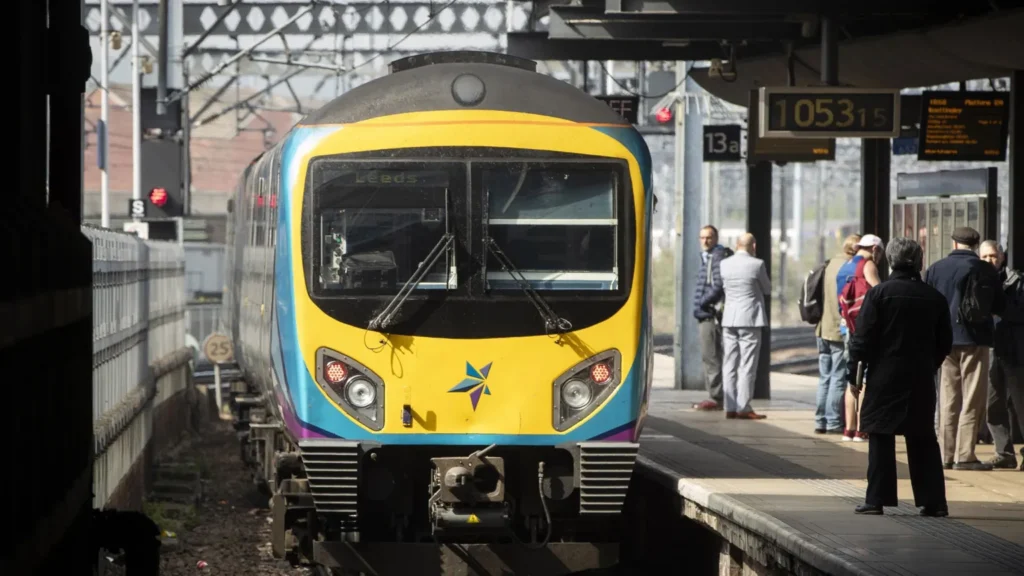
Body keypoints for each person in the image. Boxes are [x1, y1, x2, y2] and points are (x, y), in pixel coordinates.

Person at [850, 237, 952, 516]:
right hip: (919, 377)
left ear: (891, 261)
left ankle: (877, 500)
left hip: (884, 375)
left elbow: (861, 340)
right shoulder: (935, 298)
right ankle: (933, 502)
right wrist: (930, 364)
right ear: (920, 262)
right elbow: (945, 342)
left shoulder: (879, 295)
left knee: (880, 436)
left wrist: (854, 375)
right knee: (922, 437)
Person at [924, 226, 1005, 470]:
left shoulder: (936, 268)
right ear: (975, 244)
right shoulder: (984, 269)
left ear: (954, 243)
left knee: (948, 397)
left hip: (945, 342)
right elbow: (999, 305)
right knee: (972, 398)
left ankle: (945, 455)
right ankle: (965, 455)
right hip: (975, 340)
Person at [981, 241, 1024, 471]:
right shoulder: (978, 281)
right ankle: (1004, 452)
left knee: (1020, 403)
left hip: (1014, 350)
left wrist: (999, 307)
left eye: (993, 256)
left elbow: (1019, 312)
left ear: (1002, 258)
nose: (989, 261)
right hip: (990, 349)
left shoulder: (1016, 281)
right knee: (993, 403)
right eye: (985, 257)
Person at [836, 233, 883, 442]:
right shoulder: (868, 265)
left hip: (848, 327)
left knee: (852, 377)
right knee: (864, 378)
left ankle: (849, 429)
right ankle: (862, 428)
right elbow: (880, 294)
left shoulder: (845, 266)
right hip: (866, 329)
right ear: (875, 249)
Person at [719, 233, 770, 420]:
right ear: (753, 246)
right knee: (747, 365)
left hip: (729, 319)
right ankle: (744, 407)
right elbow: (767, 289)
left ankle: (729, 406)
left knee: (729, 364)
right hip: (749, 318)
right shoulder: (757, 264)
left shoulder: (724, 264)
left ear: (736, 244)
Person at [814, 234, 860, 435]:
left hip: (822, 328)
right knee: (838, 377)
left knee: (824, 377)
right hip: (836, 331)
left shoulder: (829, 264)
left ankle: (820, 420)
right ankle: (833, 421)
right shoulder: (849, 269)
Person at [692, 225, 732, 411]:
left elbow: (717, 286)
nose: (705, 241)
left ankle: (716, 398)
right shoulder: (709, 257)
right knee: (711, 357)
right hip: (706, 313)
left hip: (710, 315)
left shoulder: (716, 257)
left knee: (711, 357)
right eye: (702, 238)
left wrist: (702, 302)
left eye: (708, 237)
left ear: (716, 238)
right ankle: (717, 395)